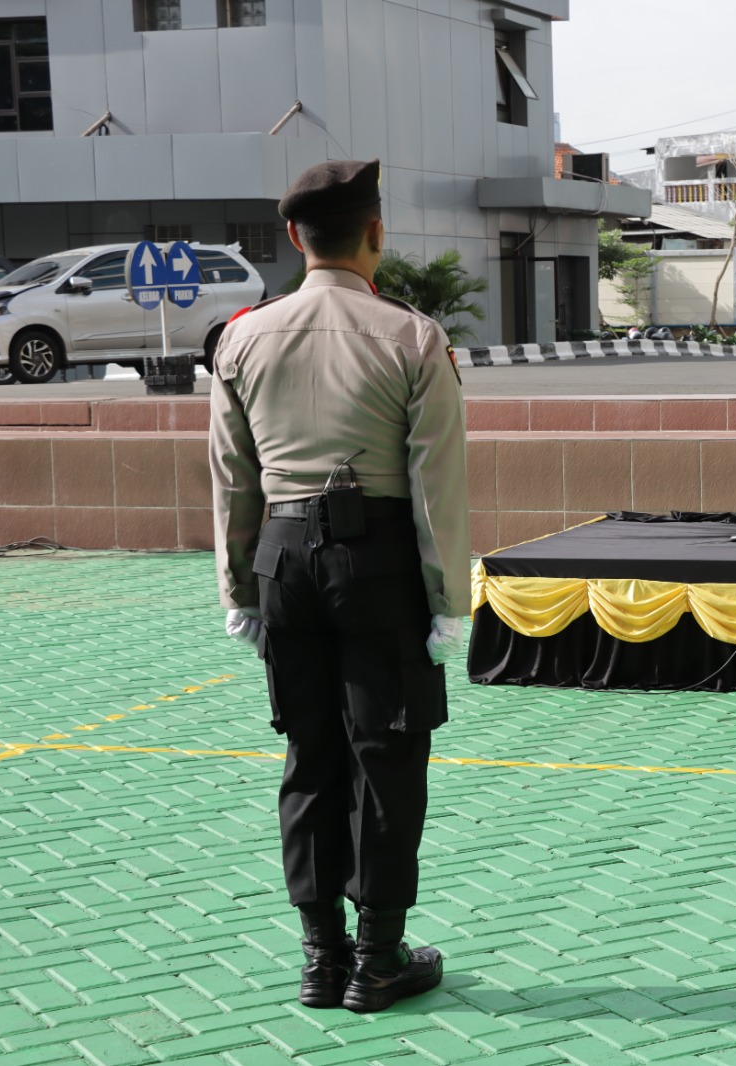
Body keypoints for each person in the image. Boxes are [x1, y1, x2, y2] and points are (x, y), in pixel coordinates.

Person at [209, 158, 470, 1013]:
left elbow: (232, 479)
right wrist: (444, 601)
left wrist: (238, 594)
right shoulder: (410, 336)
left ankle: (321, 957)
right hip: (380, 563)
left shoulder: (244, 336)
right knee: (386, 755)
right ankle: (379, 958)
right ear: (376, 235)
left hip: (282, 559)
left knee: (308, 755)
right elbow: (436, 483)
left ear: (294, 238)